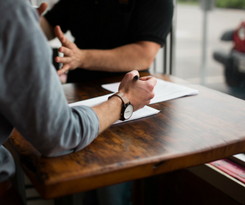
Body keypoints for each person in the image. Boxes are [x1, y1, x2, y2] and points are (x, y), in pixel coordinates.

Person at [0, 0, 156, 196]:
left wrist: (25, 24)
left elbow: (144, 54)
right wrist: (124, 100)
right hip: (84, 100)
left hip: (133, 102)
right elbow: (60, 134)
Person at [40, 0, 174, 82]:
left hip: (128, 89)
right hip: (79, 86)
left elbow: (143, 54)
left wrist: (81, 58)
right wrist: (26, 23)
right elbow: (50, 25)